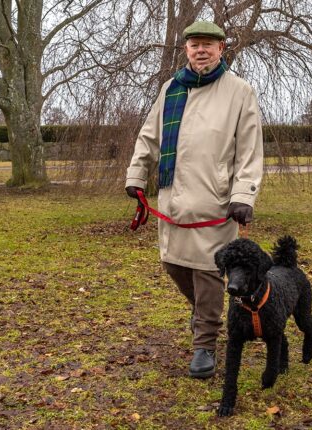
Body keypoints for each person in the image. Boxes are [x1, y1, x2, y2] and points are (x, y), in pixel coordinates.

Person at [124, 21, 263, 379]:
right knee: (174, 264)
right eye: (194, 44)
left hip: (215, 203)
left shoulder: (239, 91)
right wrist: (136, 176)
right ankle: (205, 313)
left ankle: (204, 344)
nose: (201, 50)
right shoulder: (171, 89)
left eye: (208, 44)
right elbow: (149, 136)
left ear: (221, 48)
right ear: (186, 49)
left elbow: (249, 149)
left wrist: (243, 195)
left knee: (208, 274)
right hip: (173, 201)